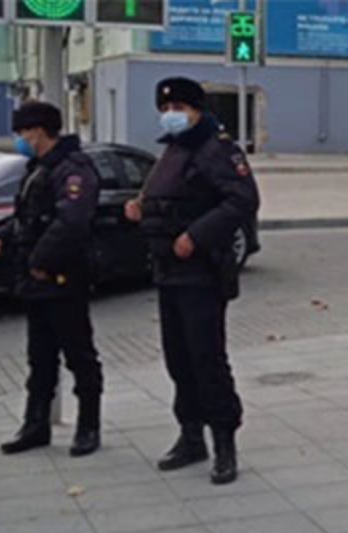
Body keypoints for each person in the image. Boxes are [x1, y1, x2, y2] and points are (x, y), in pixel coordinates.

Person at [124, 77, 258, 486]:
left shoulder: (216, 149)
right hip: (169, 272)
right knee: (178, 360)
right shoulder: (174, 149)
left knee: (206, 359)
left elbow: (242, 200)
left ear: (199, 110)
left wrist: (197, 236)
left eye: (180, 108)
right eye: (167, 108)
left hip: (201, 272)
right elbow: (167, 199)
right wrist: (140, 208)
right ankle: (191, 435)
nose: (172, 114)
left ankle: (224, 443)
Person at [0, 102, 103, 458]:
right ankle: (35, 425)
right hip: (36, 280)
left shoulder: (73, 169)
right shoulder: (39, 168)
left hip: (63, 276)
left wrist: (40, 260)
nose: (20, 139)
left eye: (23, 132)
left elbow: (72, 222)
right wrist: (1, 237)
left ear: (38, 131)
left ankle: (88, 426)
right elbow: (28, 217)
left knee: (79, 355)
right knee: (40, 357)